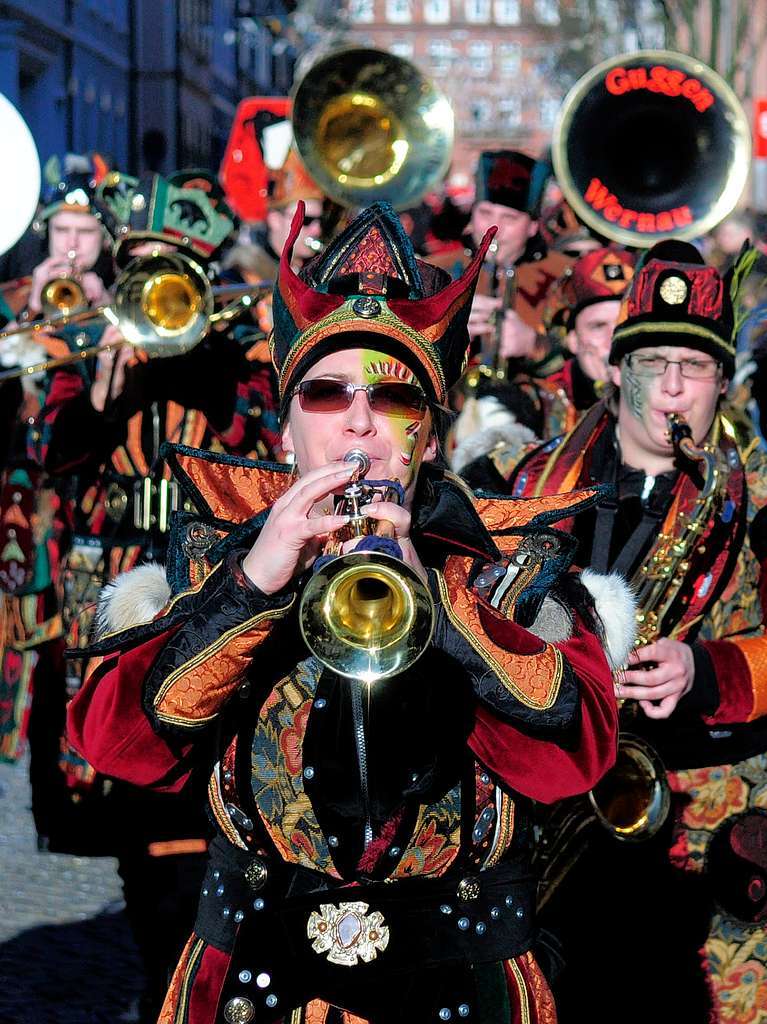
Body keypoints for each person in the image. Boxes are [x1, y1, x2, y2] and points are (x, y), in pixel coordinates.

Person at [66, 201, 627, 1023]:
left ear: (430, 434)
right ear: (286, 424)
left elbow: (574, 756)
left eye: (394, 395)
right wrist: (249, 589)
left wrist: (436, 603)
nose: (359, 423)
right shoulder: (213, 562)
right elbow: (120, 748)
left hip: (459, 979)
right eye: (326, 395)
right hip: (258, 979)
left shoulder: (514, 573)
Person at [462, 239, 767, 1023]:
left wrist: (708, 671)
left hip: (703, 829)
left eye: (693, 368)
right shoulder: (517, 481)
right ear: (612, 368)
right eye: (650, 362)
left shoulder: (757, 497)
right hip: (542, 824)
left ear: (721, 382)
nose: (670, 388)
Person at [30, 168, 284, 1023]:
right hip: (117, 605)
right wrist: (98, 401)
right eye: (140, 266)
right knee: (135, 805)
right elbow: (46, 459)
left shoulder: (232, 359)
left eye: (171, 270)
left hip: (210, 594)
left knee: (207, 804)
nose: (155, 289)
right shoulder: (89, 350)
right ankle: (159, 968)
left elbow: (262, 441)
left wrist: (207, 355)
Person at [451, 247, 635, 478]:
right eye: (598, 326)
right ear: (573, 341)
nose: (613, 338)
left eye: (623, 324)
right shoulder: (530, 404)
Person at [433, 150, 572, 376]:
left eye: (509, 218)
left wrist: (535, 346)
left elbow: (589, 360)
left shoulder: (566, 274)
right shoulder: (433, 270)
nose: (494, 229)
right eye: (486, 213)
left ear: (533, 226)